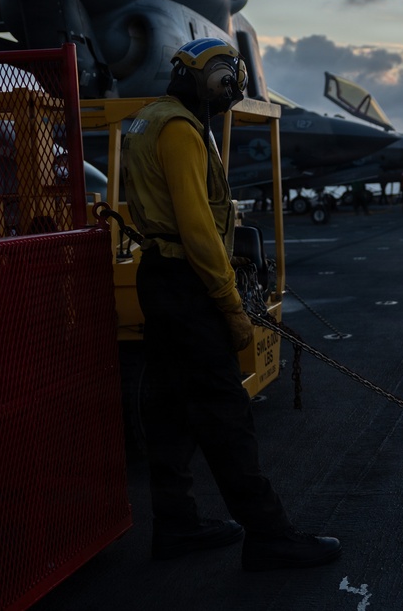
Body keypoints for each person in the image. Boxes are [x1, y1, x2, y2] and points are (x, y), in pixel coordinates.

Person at [121, 38, 341, 571]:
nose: (230, 93)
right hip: (186, 281)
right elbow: (197, 228)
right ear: (219, 80)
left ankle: (176, 526)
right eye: (229, 84)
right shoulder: (178, 130)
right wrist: (230, 305)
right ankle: (269, 536)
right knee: (225, 413)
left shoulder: (150, 118)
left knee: (169, 409)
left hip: (161, 276)